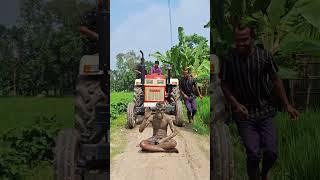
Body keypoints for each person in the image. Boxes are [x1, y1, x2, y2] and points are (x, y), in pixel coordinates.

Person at [219, 25, 299, 180]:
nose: (241, 44)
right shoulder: (229, 59)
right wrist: (236, 104)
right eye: (237, 41)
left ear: (252, 38)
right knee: (253, 154)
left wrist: (287, 105)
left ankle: (264, 174)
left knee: (271, 152)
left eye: (244, 40)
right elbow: (224, 84)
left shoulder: (264, 57)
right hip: (244, 114)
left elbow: (276, 80)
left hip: (265, 111)